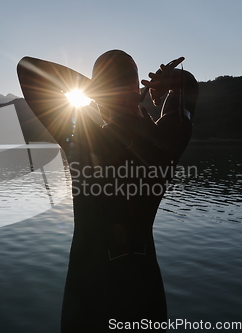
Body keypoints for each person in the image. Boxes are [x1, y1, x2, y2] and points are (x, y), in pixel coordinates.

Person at [17, 50, 199, 332]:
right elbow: (189, 87)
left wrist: (106, 93)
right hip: (146, 289)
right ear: (137, 86)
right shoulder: (169, 137)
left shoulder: (86, 139)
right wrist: (169, 80)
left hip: (90, 293)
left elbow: (28, 68)